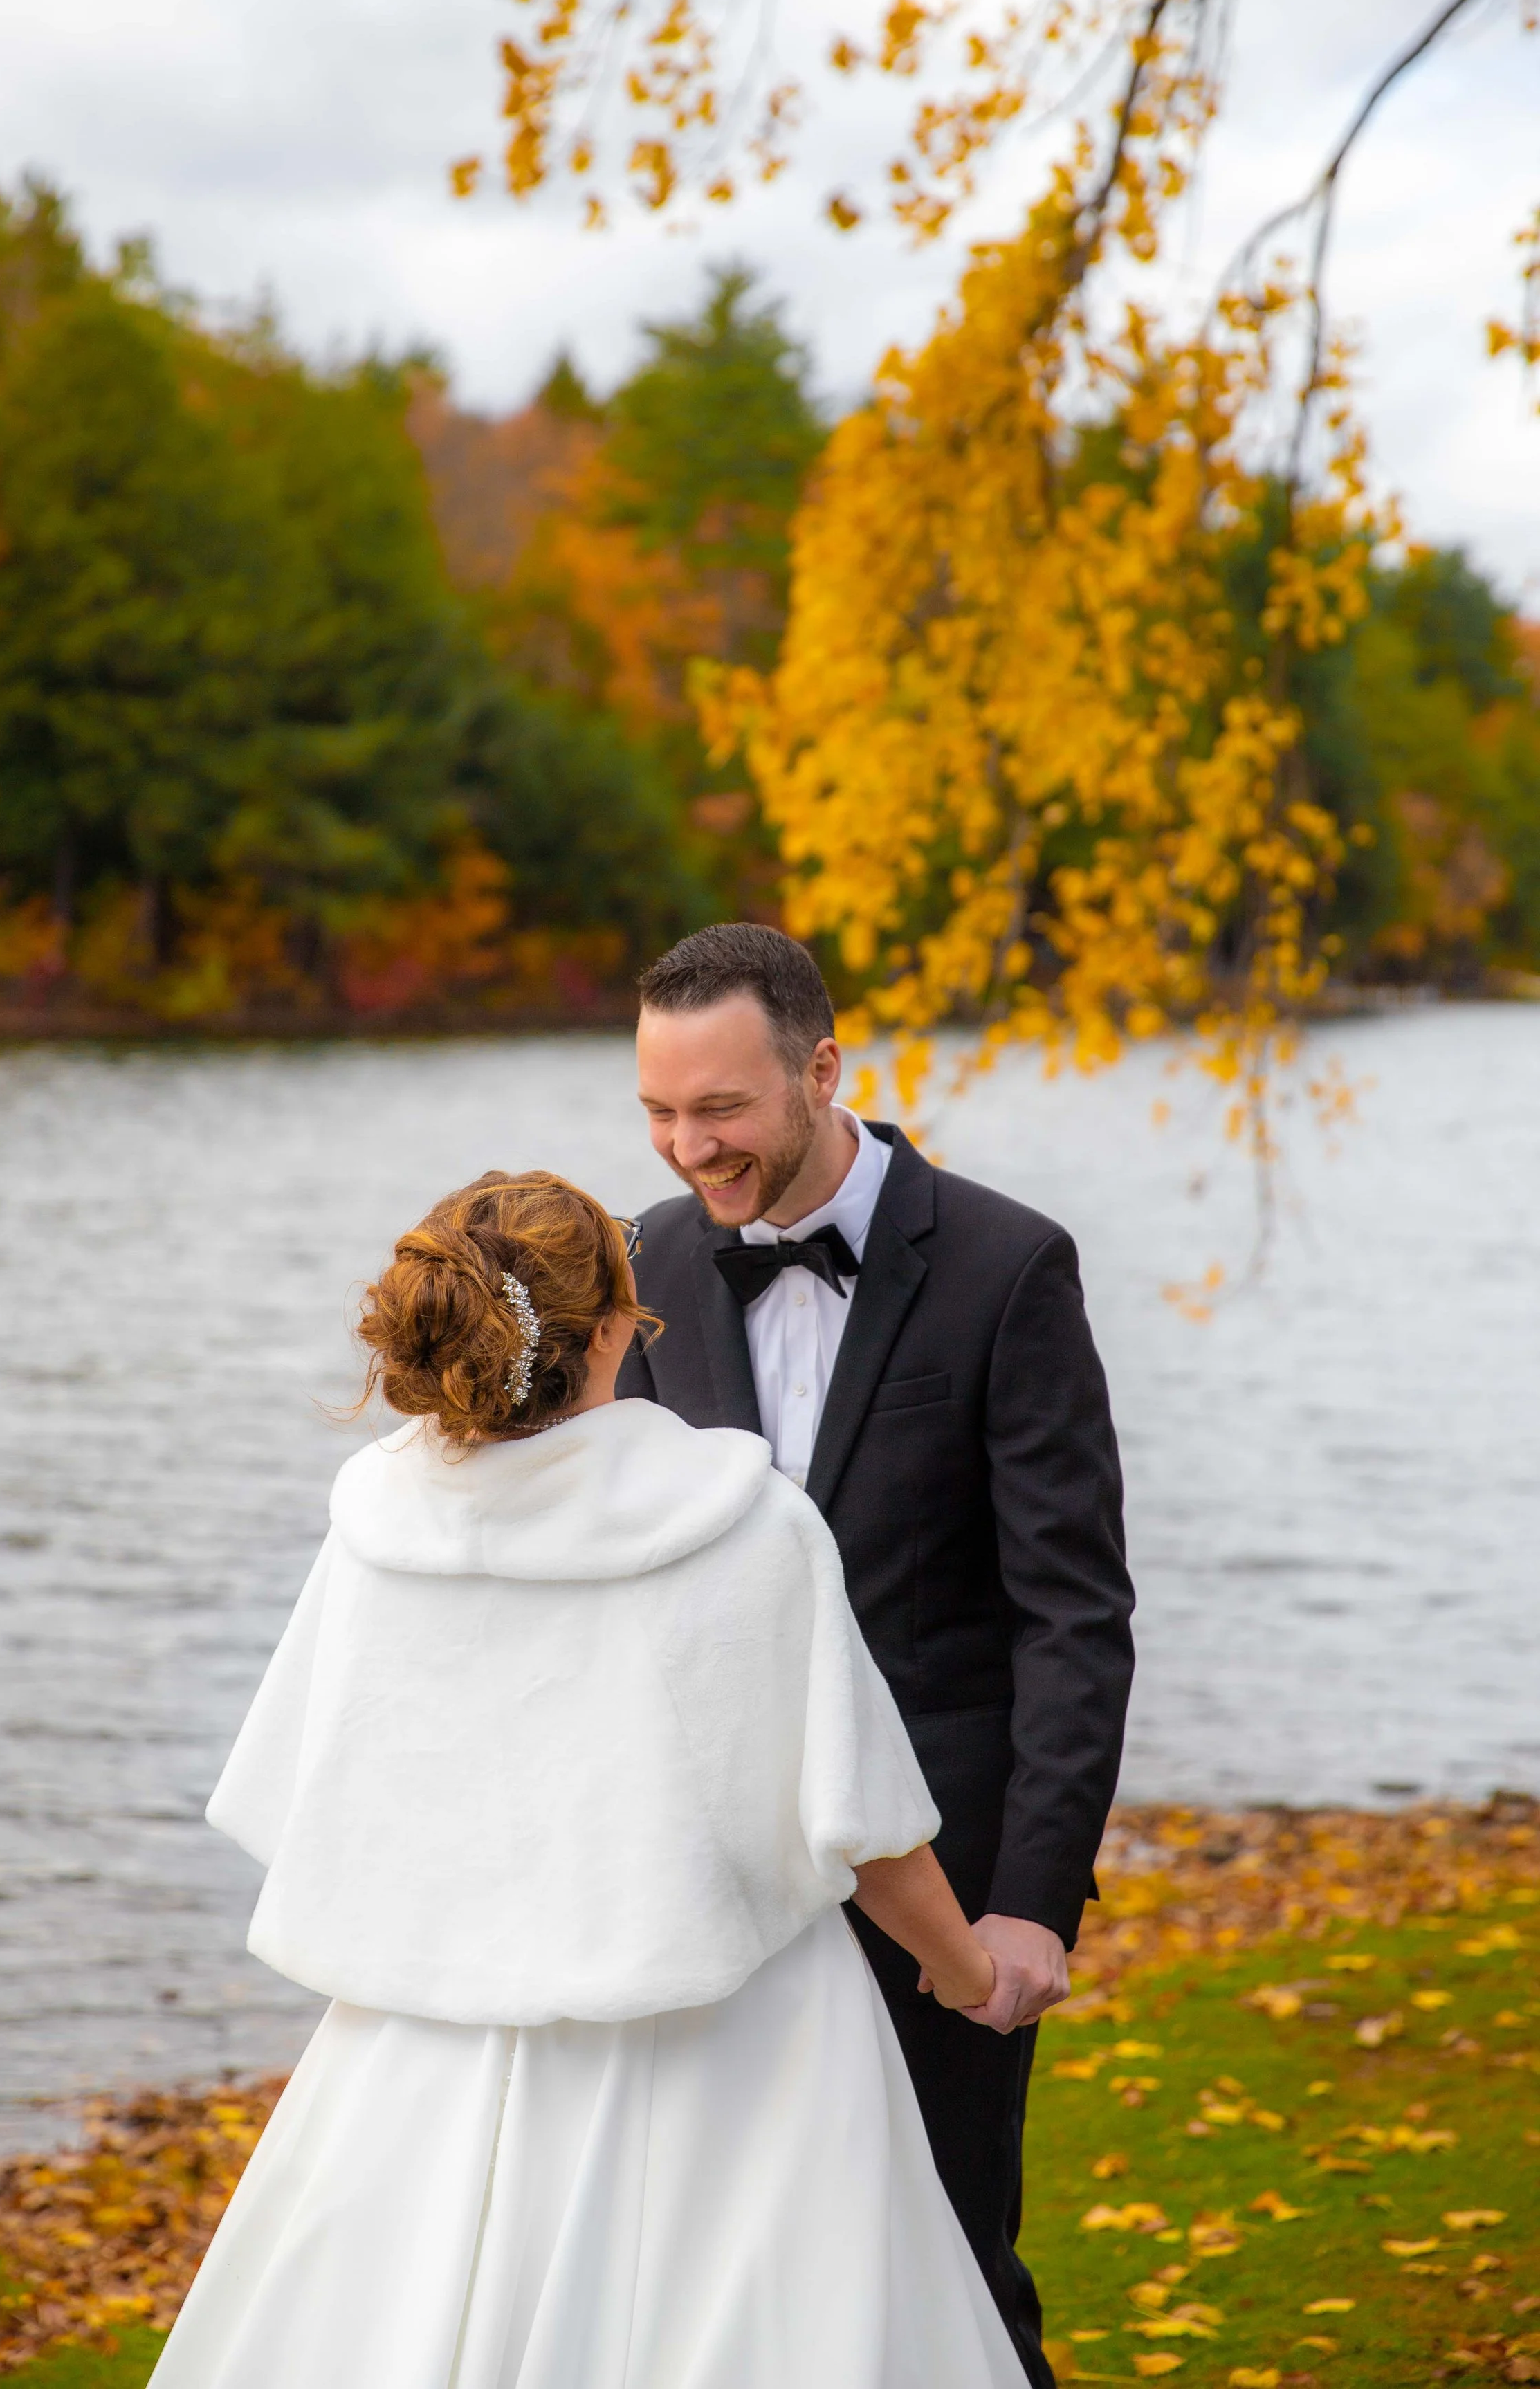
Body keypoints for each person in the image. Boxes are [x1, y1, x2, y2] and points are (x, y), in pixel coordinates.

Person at [151, 1168, 1030, 2389]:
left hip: (429, 2047)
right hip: (738, 2053)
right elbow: (863, 1824)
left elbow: (299, 1799)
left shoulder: (378, 1531)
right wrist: (966, 1966)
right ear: (617, 1324)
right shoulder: (743, 1524)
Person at [619, 924, 1137, 2389]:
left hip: (942, 1884)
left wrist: (1030, 1905)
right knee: (729, 2285)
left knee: (946, 2270)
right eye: (656, 1110)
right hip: (714, 1892)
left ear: (823, 1067)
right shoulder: (642, 1263)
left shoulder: (1004, 1264)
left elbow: (1072, 1614)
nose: (685, 1146)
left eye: (718, 1108)